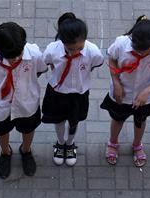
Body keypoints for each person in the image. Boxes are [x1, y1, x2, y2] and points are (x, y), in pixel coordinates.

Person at [101, 16, 150, 167]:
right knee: (117, 119)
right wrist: (116, 82)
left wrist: (147, 91)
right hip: (121, 93)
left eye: (145, 51)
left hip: (145, 98)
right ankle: (113, 142)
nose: (140, 54)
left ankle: (137, 145)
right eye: (137, 50)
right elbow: (112, 59)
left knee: (140, 120)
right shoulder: (121, 43)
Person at [0, 22, 46, 179]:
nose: (16, 58)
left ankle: (26, 150)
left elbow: (40, 70)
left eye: (19, 54)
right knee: (1, 130)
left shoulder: (34, 54)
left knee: (28, 129)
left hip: (27, 103)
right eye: (11, 56)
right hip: (0, 104)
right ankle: (5, 152)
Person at [41, 12, 105, 166]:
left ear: (85, 39)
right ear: (62, 41)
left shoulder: (93, 51)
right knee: (59, 121)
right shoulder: (52, 50)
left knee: (74, 122)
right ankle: (60, 142)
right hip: (57, 92)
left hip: (79, 94)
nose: (75, 52)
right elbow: (48, 63)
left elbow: (95, 65)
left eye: (79, 48)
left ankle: (70, 144)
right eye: (70, 49)